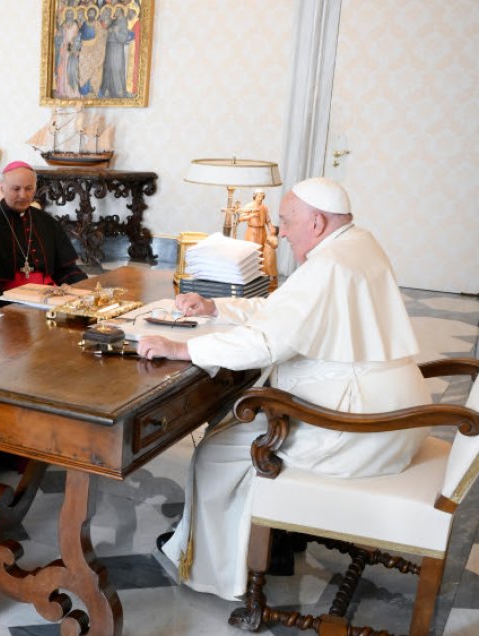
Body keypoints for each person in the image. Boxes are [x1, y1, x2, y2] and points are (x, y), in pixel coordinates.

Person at [137, 177, 430, 601]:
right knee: (242, 423)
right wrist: (218, 306)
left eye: (287, 222)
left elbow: (268, 341)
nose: (281, 233)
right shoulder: (356, 244)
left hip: (358, 427)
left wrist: (182, 347)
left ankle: (216, 566)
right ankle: (268, 539)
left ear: (316, 222)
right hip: (393, 411)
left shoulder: (331, 265)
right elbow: (286, 308)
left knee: (216, 453)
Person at [0, 161, 87, 293]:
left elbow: (66, 269)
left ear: (35, 189)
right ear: (2, 188)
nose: (23, 195)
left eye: (28, 188)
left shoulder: (47, 221)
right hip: (8, 299)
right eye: (16, 189)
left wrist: (84, 288)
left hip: (48, 294)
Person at [237, 189, 278, 280]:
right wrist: (251, 216)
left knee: (263, 251)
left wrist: (270, 227)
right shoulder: (249, 206)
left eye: (262, 196)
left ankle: (260, 274)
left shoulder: (264, 207)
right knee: (252, 251)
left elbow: (268, 219)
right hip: (252, 231)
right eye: (259, 196)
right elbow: (241, 218)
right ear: (255, 196)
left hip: (262, 230)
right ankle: (250, 274)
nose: (261, 198)